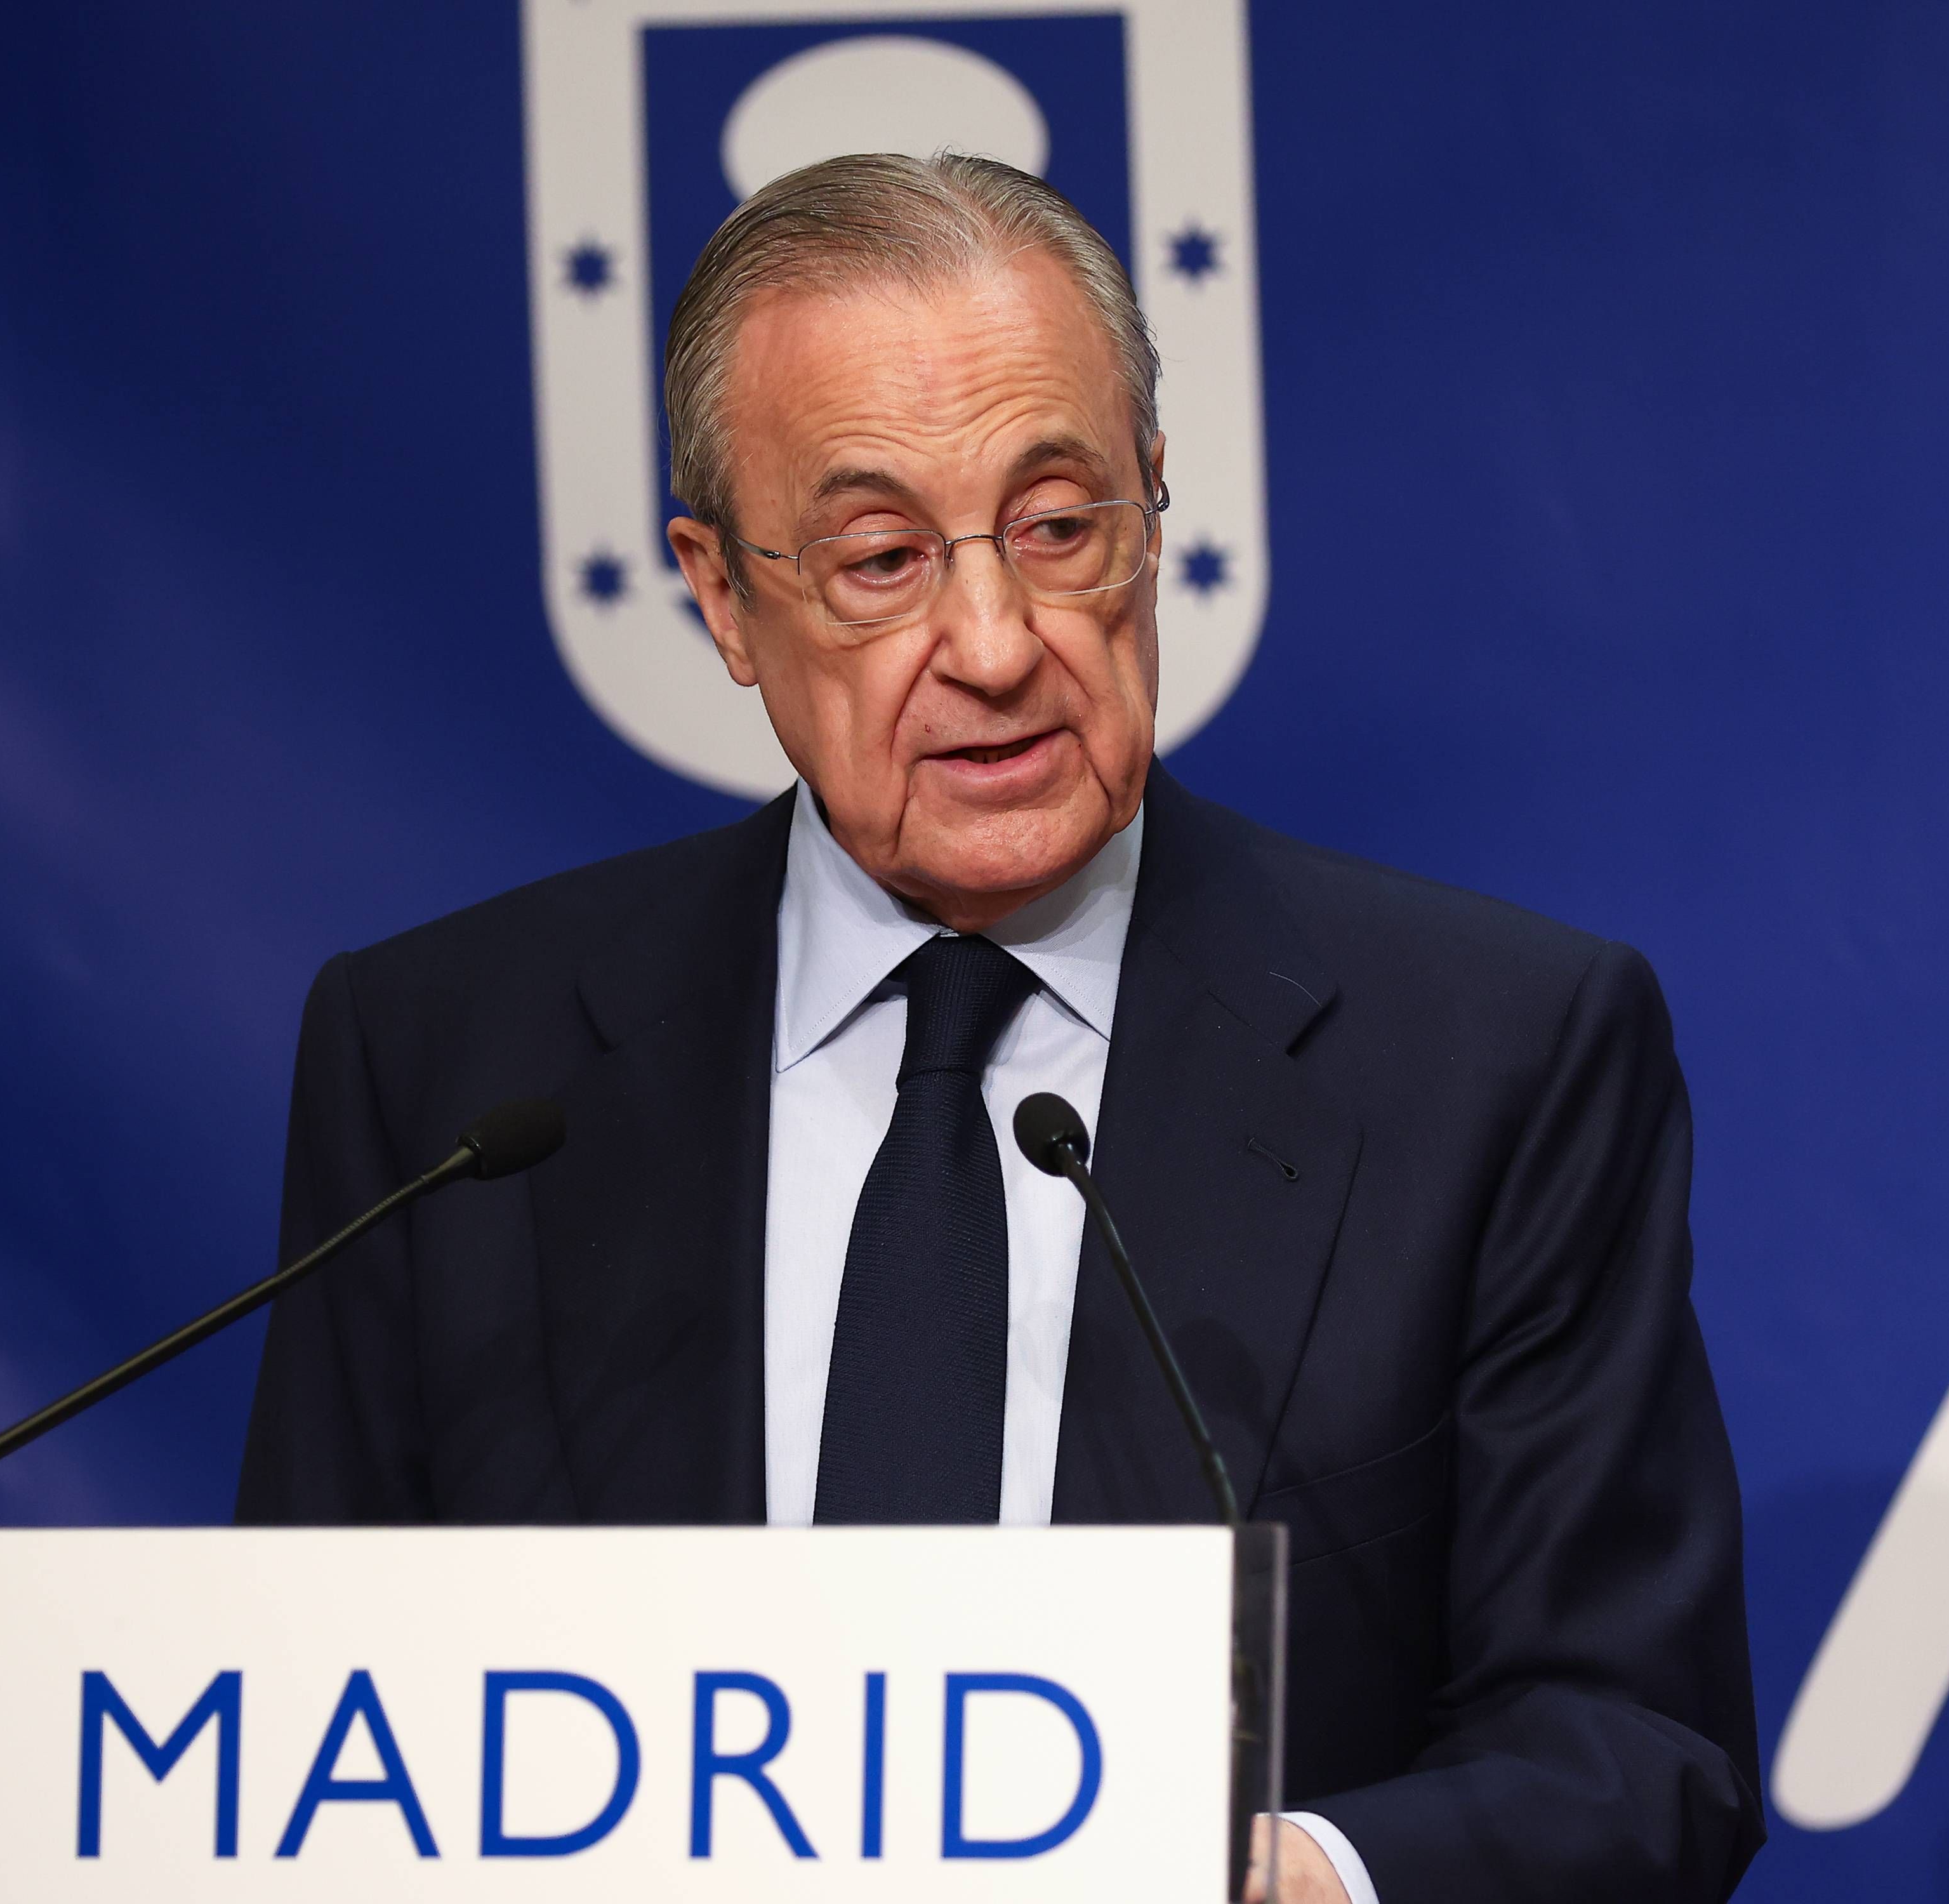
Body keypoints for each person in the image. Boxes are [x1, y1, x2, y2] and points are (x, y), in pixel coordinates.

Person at [237, 153, 1759, 1903]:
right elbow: (296, 1725)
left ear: (1155, 508)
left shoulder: (1494, 1055)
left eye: (1058, 528)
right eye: (880, 558)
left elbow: (1637, 1752)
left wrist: (1304, 1882)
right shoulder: (450, 1064)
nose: (994, 642)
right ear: (722, 596)